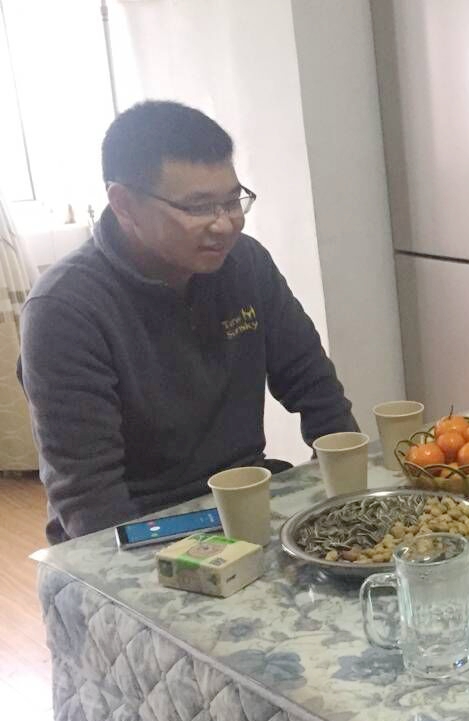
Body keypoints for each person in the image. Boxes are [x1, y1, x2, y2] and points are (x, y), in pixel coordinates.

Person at [19, 100, 357, 544]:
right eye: (199, 207)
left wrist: (348, 505)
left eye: (232, 200)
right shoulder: (65, 309)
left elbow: (315, 387)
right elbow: (90, 500)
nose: (226, 224)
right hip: (137, 530)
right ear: (124, 204)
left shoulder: (245, 264)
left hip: (241, 503)